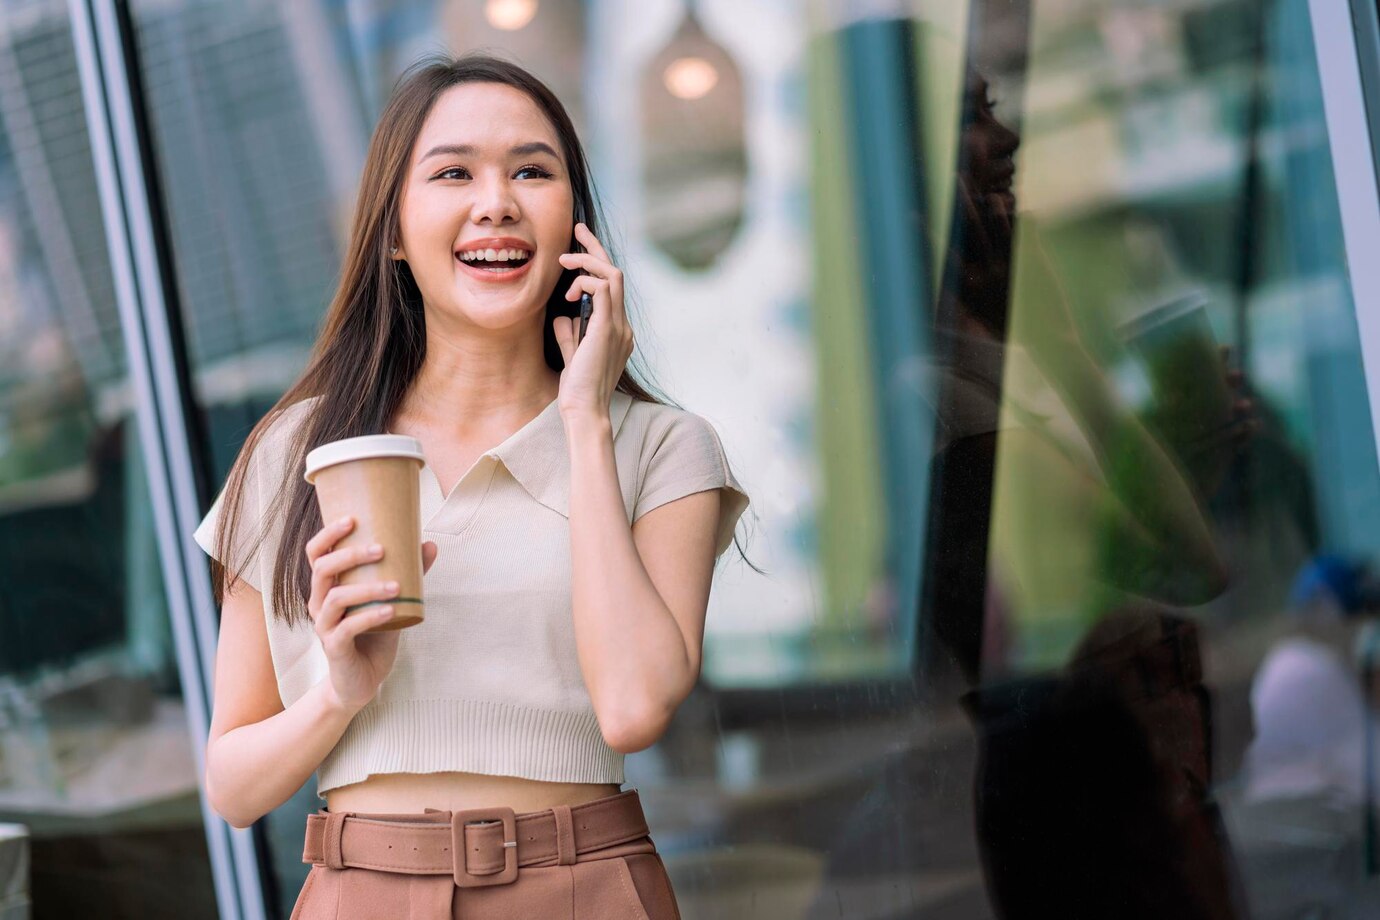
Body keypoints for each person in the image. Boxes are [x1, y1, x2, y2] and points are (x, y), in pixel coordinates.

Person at [193, 52, 751, 918]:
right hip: (359, 893)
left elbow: (636, 708)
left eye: (533, 169)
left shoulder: (660, 448)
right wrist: (340, 690)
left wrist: (585, 421)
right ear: (391, 229)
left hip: (584, 888)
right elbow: (231, 787)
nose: (497, 200)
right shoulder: (295, 452)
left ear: (576, 223)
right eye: (453, 172)